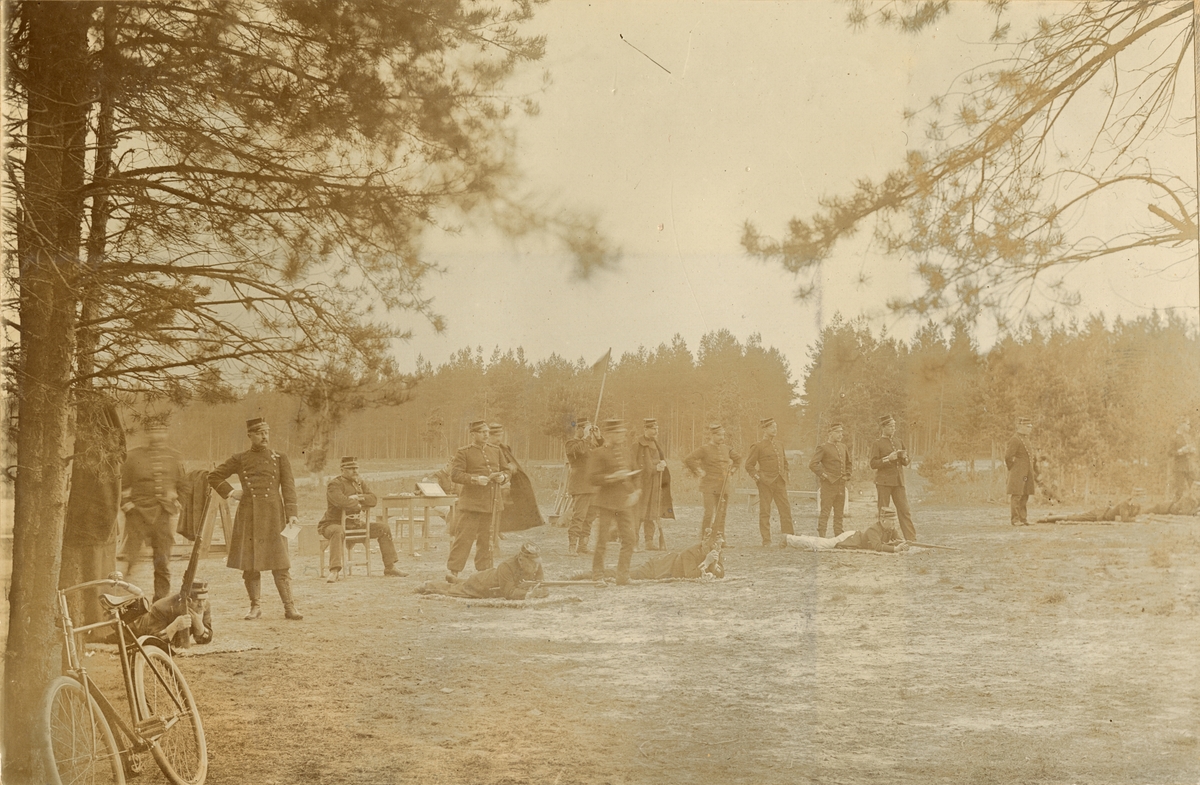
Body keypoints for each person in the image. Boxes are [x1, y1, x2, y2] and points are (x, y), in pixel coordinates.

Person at [209, 418, 303, 620]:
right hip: (248, 516)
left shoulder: (280, 458)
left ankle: (290, 607)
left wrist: (293, 514)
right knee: (250, 564)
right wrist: (231, 492)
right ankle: (255, 607)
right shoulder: (240, 458)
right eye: (259, 433)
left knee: (280, 562)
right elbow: (214, 476)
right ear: (250, 436)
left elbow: (289, 487)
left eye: (266, 432)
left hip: (273, 516)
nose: (264, 436)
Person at [120, 422, 186, 601]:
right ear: (146, 433)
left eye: (161, 431)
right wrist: (127, 506)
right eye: (153, 431)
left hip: (162, 514)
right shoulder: (133, 456)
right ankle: (122, 599)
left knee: (162, 559)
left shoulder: (174, 457)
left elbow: (183, 485)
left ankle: (161, 599)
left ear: (166, 433)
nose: (157, 435)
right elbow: (121, 485)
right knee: (129, 559)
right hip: (137, 514)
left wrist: (177, 503)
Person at [319, 456, 407, 582]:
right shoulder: (334, 484)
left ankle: (390, 567)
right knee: (337, 530)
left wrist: (357, 497)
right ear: (342, 470)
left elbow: (373, 499)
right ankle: (334, 571)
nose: (355, 471)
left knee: (383, 528)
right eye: (351, 468)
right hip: (332, 524)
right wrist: (357, 504)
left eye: (356, 468)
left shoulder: (359, 482)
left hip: (354, 525)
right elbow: (340, 501)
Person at [446, 420, 510, 580]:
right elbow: (455, 475)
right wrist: (475, 479)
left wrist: (503, 477)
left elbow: (507, 470)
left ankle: (484, 572)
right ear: (473, 434)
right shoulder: (464, 452)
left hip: (492, 502)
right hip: (471, 504)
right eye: (482, 432)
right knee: (464, 538)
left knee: (487, 539)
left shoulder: (496, 450)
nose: (486, 435)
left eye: (487, 432)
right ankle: (453, 571)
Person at [589, 419, 639, 584]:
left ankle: (622, 575)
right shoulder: (599, 453)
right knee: (602, 541)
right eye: (618, 433)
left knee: (629, 539)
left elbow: (636, 473)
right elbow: (592, 478)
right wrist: (611, 477)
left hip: (624, 502)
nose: (622, 435)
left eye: (622, 432)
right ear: (609, 434)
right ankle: (597, 575)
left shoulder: (626, 452)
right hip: (606, 502)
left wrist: (637, 491)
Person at [418, 542, 548, 599]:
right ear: (521, 559)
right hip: (482, 584)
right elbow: (509, 593)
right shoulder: (506, 566)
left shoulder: (535, 563)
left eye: (536, 562)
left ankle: (455, 579)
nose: (535, 566)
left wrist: (541, 590)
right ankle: (428, 585)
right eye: (532, 563)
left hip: (493, 576)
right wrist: (529, 594)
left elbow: (542, 585)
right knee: (455, 590)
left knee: (462, 582)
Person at [683, 423, 741, 540]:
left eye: (723, 435)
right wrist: (699, 471)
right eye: (719, 435)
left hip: (723, 486)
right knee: (709, 513)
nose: (722, 438)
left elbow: (738, 459)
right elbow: (689, 459)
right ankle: (705, 539)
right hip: (709, 486)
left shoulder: (727, 449)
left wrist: (732, 471)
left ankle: (720, 539)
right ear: (712, 435)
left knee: (721, 513)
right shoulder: (704, 449)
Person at [744, 417, 794, 546]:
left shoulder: (779, 444)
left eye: (776, 427)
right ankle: (766, 540)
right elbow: (749, 465)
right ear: (764, 429)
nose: (775, 429)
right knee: (765, 511)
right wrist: (758, 478)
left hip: (780, 482)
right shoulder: (758, 446)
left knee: (785, 510)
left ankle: (789, 539)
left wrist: (786, 473)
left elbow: (784, 462)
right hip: (765, 483)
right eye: (772, 427)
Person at [488, 423, 545, 533]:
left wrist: (512, 467)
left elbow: (510, 462)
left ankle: (505, 527)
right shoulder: (486, 449)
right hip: (494, 479)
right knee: (502, 498)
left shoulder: (504, 448)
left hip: (507, 478)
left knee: (521, 493)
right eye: (496, 436)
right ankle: (496, 529)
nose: (499, 439)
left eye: (500, 435)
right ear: (489, 436)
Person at [868, 414, 916, 541]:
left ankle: (911, 539)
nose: (893, 429)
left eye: (894, 426)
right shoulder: (877, 443)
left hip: (899, 482)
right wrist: (888, 459)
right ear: (883, 427)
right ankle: (882, 540)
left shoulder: (899, 441)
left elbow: (906, 461)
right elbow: (873, 464)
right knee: (884, 512)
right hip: (883, 482)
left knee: (904, 510)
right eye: (890, 426)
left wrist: (904, 458)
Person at [783, 507, 910, 553]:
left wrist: (903, 544)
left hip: (854, 538)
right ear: (883, 520)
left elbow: (898, 540)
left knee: (822, 542)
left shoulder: (890, 529)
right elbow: (877, 547)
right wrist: (895, 549)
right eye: (892, 521)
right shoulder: (874, 529)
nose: (894, 523)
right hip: (850, 538)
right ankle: (789, 539)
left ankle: (800, 537)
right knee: (823, 544)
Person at [129, 580, 214, 648]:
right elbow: (154, 642)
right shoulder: (161, 607)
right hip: (131, 632)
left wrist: (199, 625)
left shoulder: (204, 606)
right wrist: (174, 626)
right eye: (196, 601)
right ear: (187, 600)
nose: (201, 605)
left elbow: (206, 639)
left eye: (204, 600)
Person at [631, 417, 674, 550]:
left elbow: (660, 459)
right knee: (639, 513)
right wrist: (655, 468)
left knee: (652, 512)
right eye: (653, 428)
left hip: (655, 483)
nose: (656, 431)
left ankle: (649, 542)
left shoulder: (656, 443)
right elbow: (634, 466)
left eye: (657, 428)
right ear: (645, 429)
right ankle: (633, 542)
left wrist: (663, 464)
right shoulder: (637, 445)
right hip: (642, 484)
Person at [565, 418, 602, 555]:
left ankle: (583, 545)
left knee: (589, 518)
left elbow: (603, 452)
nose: (589, 432)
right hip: (580, 487)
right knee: (579, 517)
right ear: (579, 429)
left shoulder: (590, 444)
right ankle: (572, 547)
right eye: (586, 429)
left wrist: (599, 438)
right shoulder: (571, 444)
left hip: (592, 486)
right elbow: (579, 451)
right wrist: (586, 437)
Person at [808, 421, 851, 538]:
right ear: (830, 433)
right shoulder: (823, 448)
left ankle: (838, 536)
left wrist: (847, 475)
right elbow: (813, 464)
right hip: (828, 486)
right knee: (825, 512)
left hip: (841, 485)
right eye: (838, 432)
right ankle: (822, 536)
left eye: (841, 432)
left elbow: (849, 463)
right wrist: (824, 476)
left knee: (839, 513)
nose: (840, 435)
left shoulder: (843, 447)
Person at [629, 528, 724, 580]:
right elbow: (690, 575)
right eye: (716, 544)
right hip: (659, 567)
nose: (718, 548)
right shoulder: (691, 552)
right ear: (706, 543)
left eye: (719, 544)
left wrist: (714, 564)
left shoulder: (714, 551)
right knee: (630, 573)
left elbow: (721, 573)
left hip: (667, 567)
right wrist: (706, 562)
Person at [1005, 416, 1037, 526]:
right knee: (1017, 495)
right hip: (1018, 472)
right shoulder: (1015, 439)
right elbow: (1008, 456)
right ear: (1021, 426)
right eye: (1027, 426)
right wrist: (1013, 468)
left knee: (1025, 494)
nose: (1030, 429)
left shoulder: (1026, 439)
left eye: (1030, 426)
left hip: (1027, 472)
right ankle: (1015, 520)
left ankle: (1023, 519)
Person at [1036, 500, 1141, 523]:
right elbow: (1124, 519)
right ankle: (1047, 519)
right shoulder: (1124, 505)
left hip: (1101, 512)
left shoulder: (1128, 506)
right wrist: (1136, 520)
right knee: (1074, 518)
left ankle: (1053, 515)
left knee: (1077, 516)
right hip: (1100, 514)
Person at [1169, 418, 1196, 501]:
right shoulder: (1174, 437)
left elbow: (1194, 449)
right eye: (1188, 424)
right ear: (1181, 424)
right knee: (1179, 490)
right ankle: (1177, 506)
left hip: (1189, 467)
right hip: (1179, 467)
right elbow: (1170, 452)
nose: (1189, 427)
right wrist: (1181, 451)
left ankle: (1195, 505)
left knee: (1194, 486)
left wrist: (1192, 450)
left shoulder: (1188, 437)